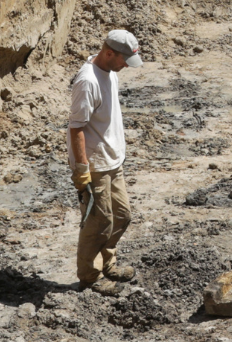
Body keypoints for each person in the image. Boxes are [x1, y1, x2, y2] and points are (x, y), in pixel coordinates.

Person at [68, 29, 142, 296]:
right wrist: (82, 168)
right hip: (95, 166)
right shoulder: (87, 82)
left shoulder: (109, 72)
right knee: (99, 223)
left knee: (122, 216)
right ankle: (89, 276)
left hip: (113, 161)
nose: (125, 66)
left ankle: (108, 264)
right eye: (123, 60)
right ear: (109, 53)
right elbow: (76, 128)